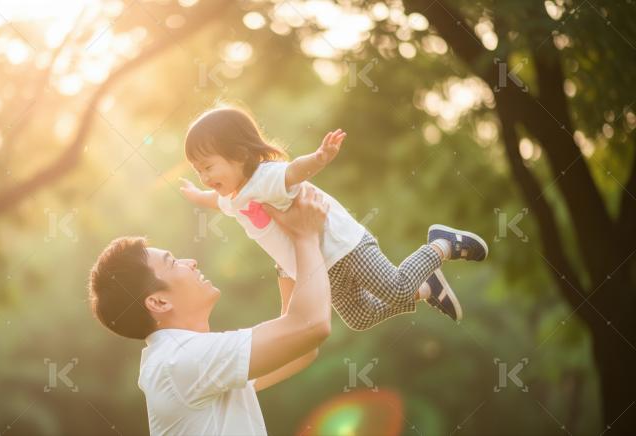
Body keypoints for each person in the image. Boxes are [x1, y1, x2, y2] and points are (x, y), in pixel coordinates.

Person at [179, 105, 489, 330]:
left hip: (344, 245)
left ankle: (443, 245)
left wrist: (319, 158)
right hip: (319, 269)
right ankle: (426, 287)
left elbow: (293, 170)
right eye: (198, 171)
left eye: (208, 167)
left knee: (395, 289)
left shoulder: (265, 177)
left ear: (240, 155)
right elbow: (215, 202)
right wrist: (195, 194)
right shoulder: (232, 197)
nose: (204, 177)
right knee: (360, 318)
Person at [88, 186, 333, 435]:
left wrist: (284, 251)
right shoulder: (181, 360)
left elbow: (300, 349)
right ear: (159, 302)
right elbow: (310, 327)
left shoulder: (186, 362)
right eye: (173, 263)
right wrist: (305, 236)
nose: (191, 262)